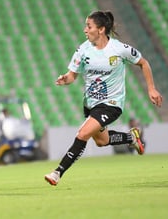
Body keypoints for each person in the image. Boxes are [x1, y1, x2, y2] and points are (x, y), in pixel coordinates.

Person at [44, 11, 163, 186]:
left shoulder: (119, 49)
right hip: (91, 103)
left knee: (82, 133)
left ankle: (57, 172)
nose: (85, 30)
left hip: (111, 104)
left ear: (101, 29)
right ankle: (132, 138)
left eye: (89, 26)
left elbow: (143, 63)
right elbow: (72, 75)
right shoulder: (83, 50)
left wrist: (151, 88)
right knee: (102, 141)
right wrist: (65, 79)